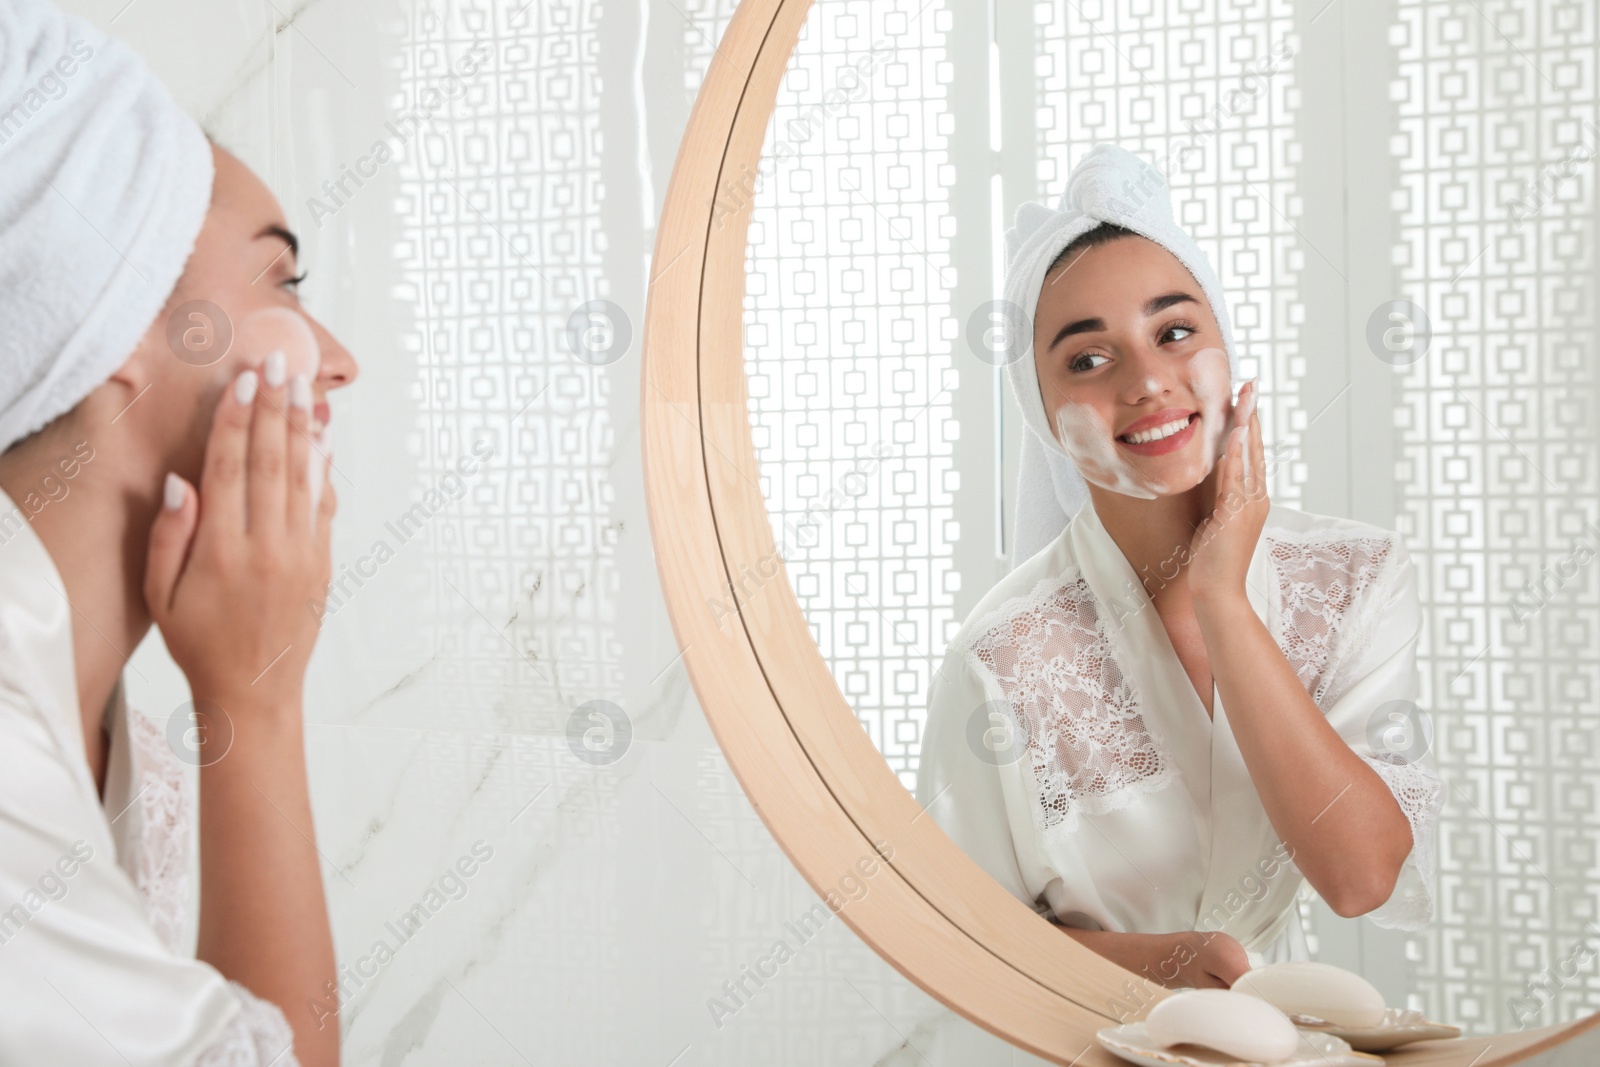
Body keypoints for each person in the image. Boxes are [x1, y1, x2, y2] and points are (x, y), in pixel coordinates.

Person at [915, 144, 1444, 991]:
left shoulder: (1352, 578)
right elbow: (953, 940)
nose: (1149, 381)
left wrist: (1224, 601)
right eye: (1088, 358)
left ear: (1226, 347)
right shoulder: (1001, 656)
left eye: (1174, 331)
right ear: (1043, 413)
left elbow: (1361, 874)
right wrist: (1151, 968)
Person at [0, 0, 357, 1062]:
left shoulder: (129, 757)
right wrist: (259, 703)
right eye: (281, 279)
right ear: (102, 313)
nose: (339, 359)